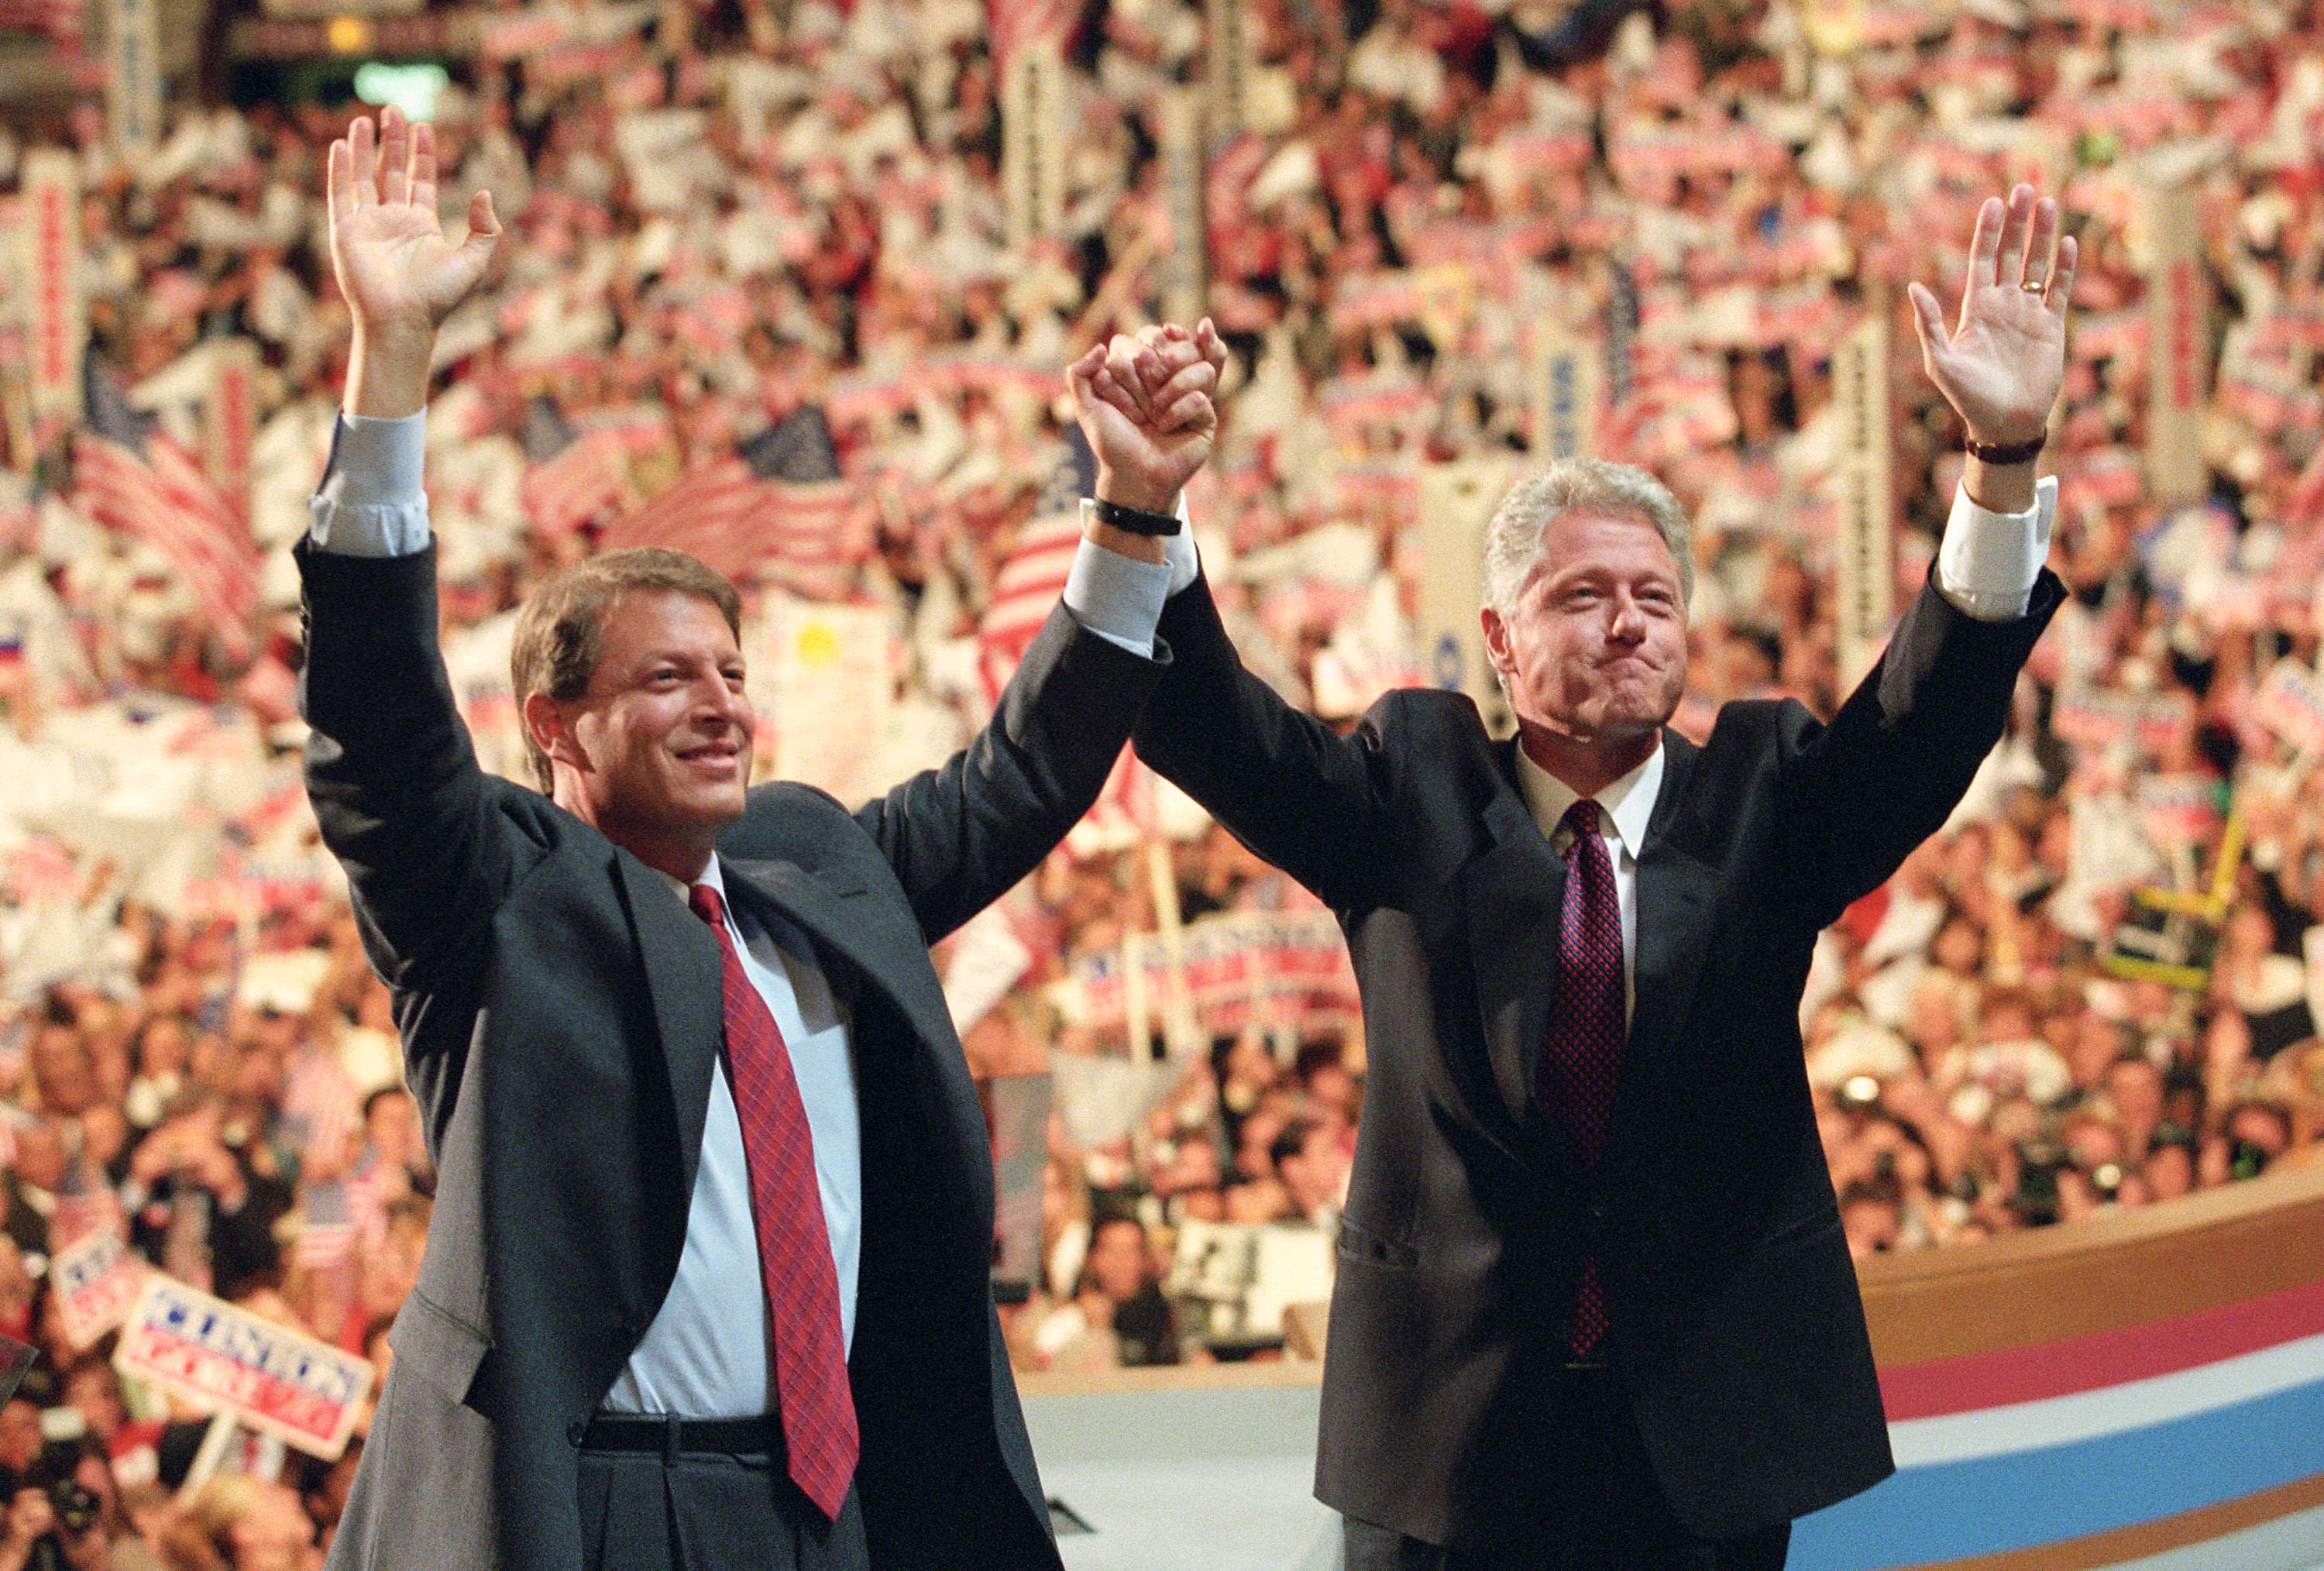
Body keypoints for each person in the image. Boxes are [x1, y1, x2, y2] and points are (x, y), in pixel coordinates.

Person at [1082, 185, 2082, 1566]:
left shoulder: (1765, 795)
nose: (1628, 624)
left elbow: (1930, 718)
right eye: (1582, 596)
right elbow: (1212, 727)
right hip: (1452, 1441)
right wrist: (1141, 508)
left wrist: (2005, 455)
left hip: (1699, 1441)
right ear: (1497, 638)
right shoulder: (1409, 786)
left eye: (1655, 597)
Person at [300, 108, 1213, 1571]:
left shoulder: (812, 866)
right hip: (595, 1510)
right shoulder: (493, 897)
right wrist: (390, 364)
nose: (723, 707)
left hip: (836, 1506)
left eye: (731, 673)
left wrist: (1135, 512)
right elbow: (375, 733)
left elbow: (1026, 774)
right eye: (668, 679)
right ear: (555, 724)